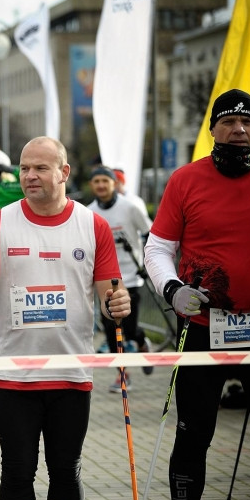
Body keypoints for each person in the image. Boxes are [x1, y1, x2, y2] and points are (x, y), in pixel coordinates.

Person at [0, 136, 129, 500]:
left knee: (66, 470)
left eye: (40, 168)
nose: (30, 176)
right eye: (24, 169)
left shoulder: (91, 226)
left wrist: (119, 303)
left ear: (64, 171)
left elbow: (111, 294)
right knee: (16, 470)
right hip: (15, 373)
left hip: (71, 372)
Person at [143, 89, 250, 500]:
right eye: (228, 122)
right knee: (192, 434)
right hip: (202, 328)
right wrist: (173, 287)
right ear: (212, 130)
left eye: (248, 121)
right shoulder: (186, 180)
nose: (239, 129)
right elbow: (157, 248)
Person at [87, 165, 154, 390]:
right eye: (96, 182)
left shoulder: (130, 207)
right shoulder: (89, 212)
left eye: (105, 181)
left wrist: (147, 263)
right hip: (104, 280)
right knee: (111, 331)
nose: (101, 185)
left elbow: (149, 234)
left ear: (114, 183)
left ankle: (142, 342)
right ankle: (122, 375)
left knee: (131, 330)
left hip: (131, 277)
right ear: (92, 186)